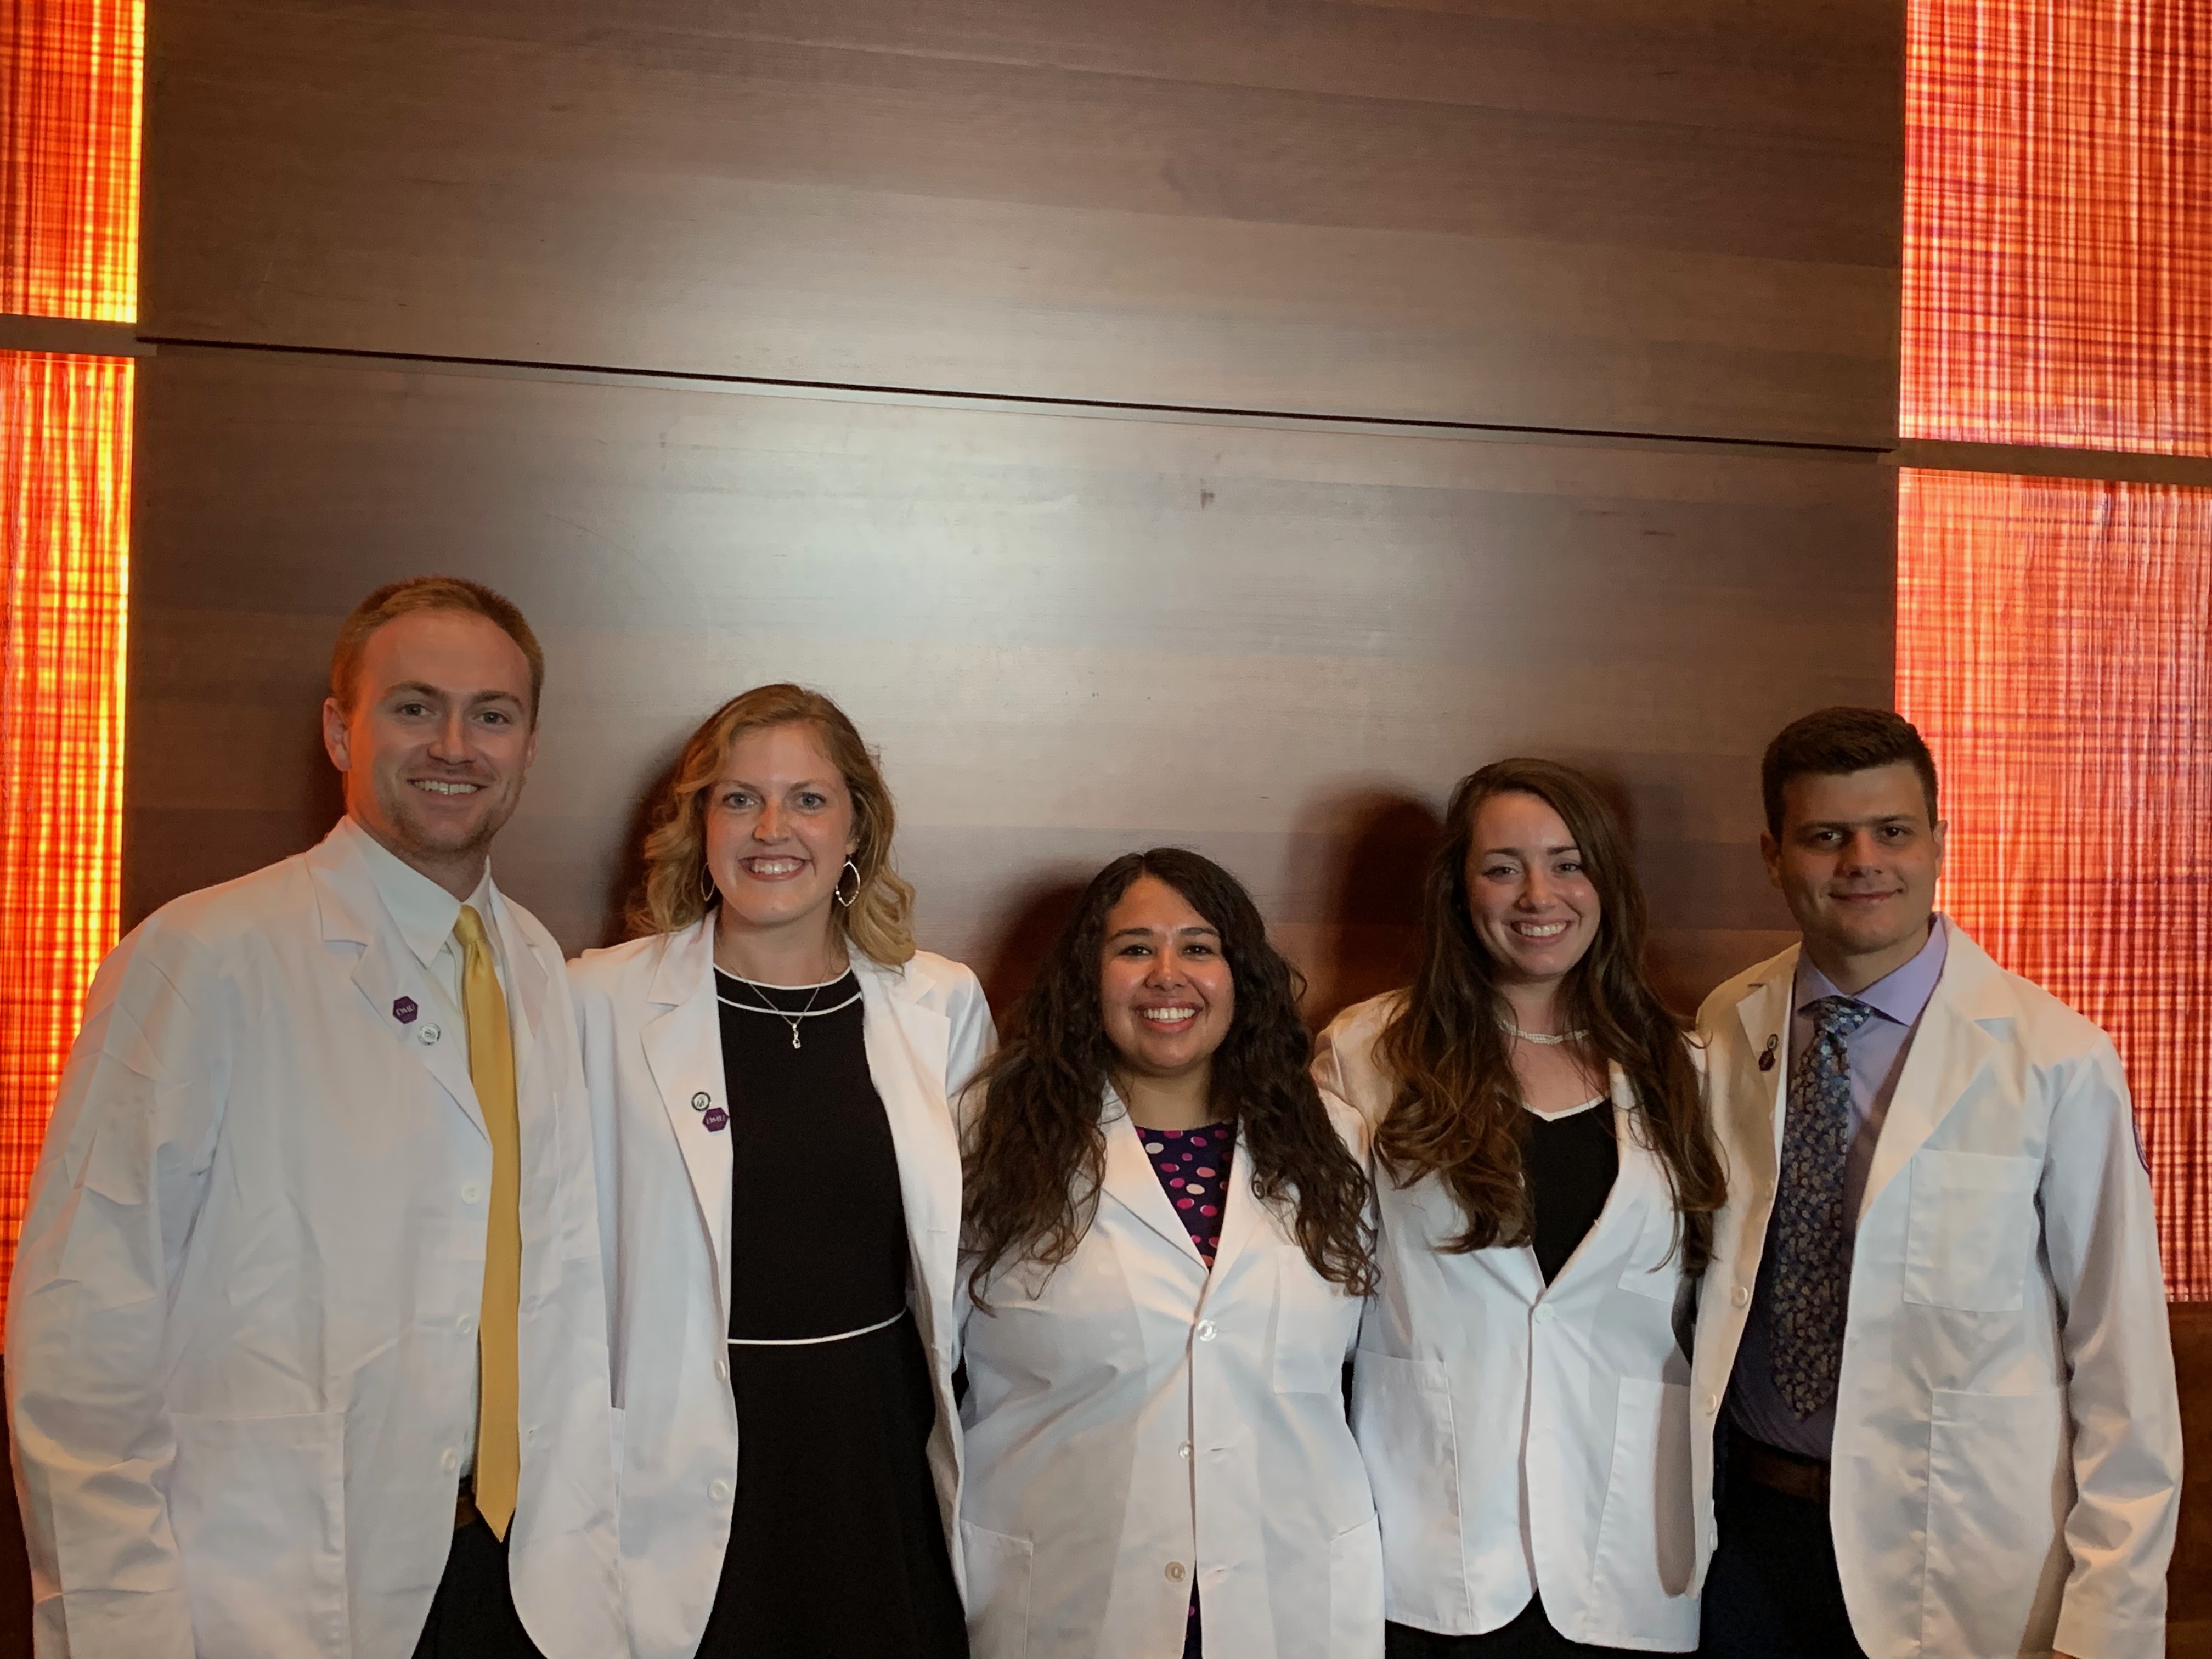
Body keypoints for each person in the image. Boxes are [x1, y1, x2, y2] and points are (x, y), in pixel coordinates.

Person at [7, 577, 618, 1659]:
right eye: (414, 706)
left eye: (493, 714)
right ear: (341, 729)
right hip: (277, 1587)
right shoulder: (205, 958)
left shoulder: (536, 964)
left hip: (516, 1579)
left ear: (529, 746)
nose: (455, 745)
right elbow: (80, 1343)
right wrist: (121, 1628)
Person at [1693, 706, 2182, 1659]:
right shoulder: (1726, 1024)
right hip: (1747, 1538)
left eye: (1893, 831)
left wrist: (2109, 1620)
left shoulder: (2056, 1058)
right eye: (1826, 836)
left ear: (1939, 845)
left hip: (1954, 1554)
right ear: (1773, 854)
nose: (1862, 861)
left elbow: (2123, 1363)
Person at [569, 683, 991, 1659]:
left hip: (872, 1440)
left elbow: (976, 1257)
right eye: (738, 798)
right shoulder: (600, 999)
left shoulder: (941, 1003)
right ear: (700, 826)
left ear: (856, 830)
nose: (773, 828)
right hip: (685, 1443)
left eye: (808, 799)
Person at [1314, 758, 1725, 1657]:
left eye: (1568, 863)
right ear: (1460, 890)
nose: (1539, 894)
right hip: (1433, 1545)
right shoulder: (1368, 1053)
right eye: (1503, 867)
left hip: (1627, 1549)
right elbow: (1314, 1298)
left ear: (1606, 883)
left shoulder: (1684, 1065)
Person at [958, 848, 1382, 1659]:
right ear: (1089, 976)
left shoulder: (1336, 1142)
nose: (1167, 974)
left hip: (1285, 1590)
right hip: (1067, 1597)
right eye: (1132, 949)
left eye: (1198, 947)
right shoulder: (988, 1136)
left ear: (1240, 976)